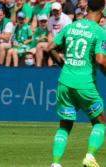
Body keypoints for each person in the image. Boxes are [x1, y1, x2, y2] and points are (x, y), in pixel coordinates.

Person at [46, 0, 106, 166]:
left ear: (87, 8)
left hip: (64, 83)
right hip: (85, 84)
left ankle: (56, 163)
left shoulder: (71, 26)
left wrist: (62, 64)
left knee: (65, 126)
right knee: (100, 122)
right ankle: (90, 156)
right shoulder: (99, 31)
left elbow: (49, 47)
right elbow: (101, 60)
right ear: (102, 9)